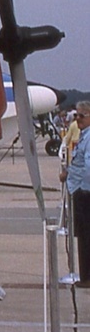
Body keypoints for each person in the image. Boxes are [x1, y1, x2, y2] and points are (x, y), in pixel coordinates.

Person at [62, 102, 90, 281]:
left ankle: (87, 277)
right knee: (83, 235)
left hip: (84, 193)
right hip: (80, 189)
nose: (77, 119)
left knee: (85, 236)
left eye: (82, 116)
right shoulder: (83, 135)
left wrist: (82, 189)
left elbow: (88, 166)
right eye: (76, 115)